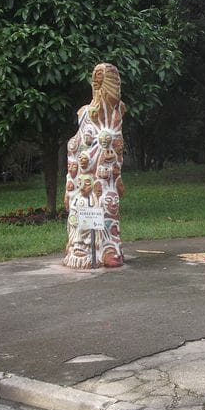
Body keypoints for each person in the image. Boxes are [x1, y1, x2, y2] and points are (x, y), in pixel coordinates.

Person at [63, 63, 126, 269]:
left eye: (101, 76)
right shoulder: (84, 113)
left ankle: (107, 247)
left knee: (106, 204)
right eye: (95, 76)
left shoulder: (116, 112)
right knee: (78, 207)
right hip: (83, 178)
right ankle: (78, 246)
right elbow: (76, 146)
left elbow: (115, 144)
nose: (96, 81)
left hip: (103, 177)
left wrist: (106, 156)